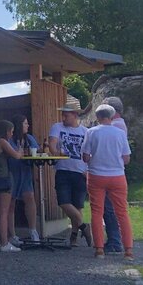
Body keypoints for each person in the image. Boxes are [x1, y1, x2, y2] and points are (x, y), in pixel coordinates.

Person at [82, 103, 134, 260]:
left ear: (97, 117)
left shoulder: (91, 132)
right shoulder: (119, 133)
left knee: (97, 212)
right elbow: (126, 159)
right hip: (117, 176)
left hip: (96, 176)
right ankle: (129, 251)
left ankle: (99, 250)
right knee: (122, 213)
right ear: (112, 116)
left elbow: (85, 156)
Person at [48, 95, 92, 248]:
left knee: (77, 205)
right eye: (63, 114)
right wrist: (55, 152)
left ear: (75, 115)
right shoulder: (57, 127)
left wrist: (88, 170)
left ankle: (73, 236)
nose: (63, 117)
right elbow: (52, 144)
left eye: (66, 114)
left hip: (80, 171)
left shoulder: (85, 131)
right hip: (63, 170)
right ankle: (85, 227)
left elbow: (88, 153)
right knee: (64, 202)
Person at [0, 120, 23, 253]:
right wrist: (20, 149)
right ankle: (5, 243)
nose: (12, 134)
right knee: (3, 212)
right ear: (6, 131)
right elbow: (17, 156)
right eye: (11, 132)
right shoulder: (2, 142)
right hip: (3, 179)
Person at [7, 114, 40, 243]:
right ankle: (12, 235)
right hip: (12, 172)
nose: (28, 125)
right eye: (25, 123)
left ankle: (33, 231)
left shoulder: (29, 138)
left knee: (30, 198)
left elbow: (36, 151)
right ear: (19, 125)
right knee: (11, 203)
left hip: (25, 172)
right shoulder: (9, 139)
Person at [101, 96, 127, 253]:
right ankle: (118, 240)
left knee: (108, 208)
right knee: (115, 208)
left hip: (107, 172)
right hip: (117, 172)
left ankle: (114, 241)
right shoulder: (121, 124)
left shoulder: (114, 126)